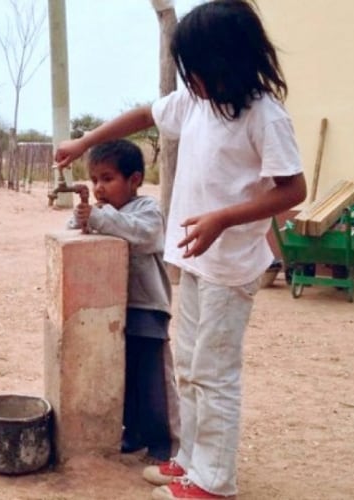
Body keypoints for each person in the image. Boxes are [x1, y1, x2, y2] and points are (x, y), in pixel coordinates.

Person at [54, 1, 307, 498]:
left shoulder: (263, 116)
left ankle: (214, 482)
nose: (190, 79)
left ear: (229, 60)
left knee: (213, 372)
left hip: (229, 267)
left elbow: (292, 190)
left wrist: (223, 218)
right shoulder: (196, 103)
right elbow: (145, 113)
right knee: (189, 364)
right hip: (192, 259)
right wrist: (86, 141)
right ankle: (191, 461)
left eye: (197, 68)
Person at [66, 139, 180, 464]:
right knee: (124, 376)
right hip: (112, 309)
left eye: (108, 178)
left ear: (135, 180)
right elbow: (74, 233)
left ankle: (166, 443)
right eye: (95, 180)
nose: (99, 188)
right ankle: (134, 432)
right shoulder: (102, 212)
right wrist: (81, 219)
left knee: (153, 378)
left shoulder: (147, 211)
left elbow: (143, 236)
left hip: (147, 307)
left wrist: (98, 218)